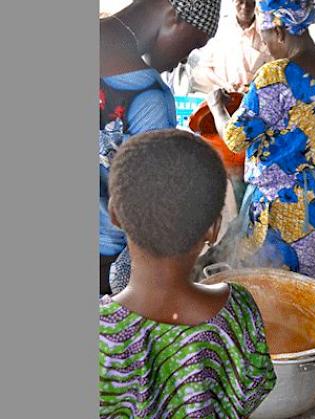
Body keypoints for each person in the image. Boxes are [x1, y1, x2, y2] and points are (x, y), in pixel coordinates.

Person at [99, 130, 276, 418]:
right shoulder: (240, 310)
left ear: (114, 214)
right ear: (214, 228)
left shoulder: (102, 334)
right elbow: (250, 395)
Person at [206, 0, 315, 281]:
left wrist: (216, 106)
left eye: (265, 39)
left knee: (267, 290)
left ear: (278, 30)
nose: (266, 47)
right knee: (306, 290)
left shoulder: (275, 74)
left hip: (281, 208)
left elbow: (235, 138)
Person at [99, 0, 221, 295]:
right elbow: (148, 213)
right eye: (191, 46)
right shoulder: (150, 94)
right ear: (172, 17)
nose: (183, 60)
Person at [191, 0, 273, 94]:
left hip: (254, 101)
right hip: (223, 100)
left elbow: (272, 72)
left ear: (256, 3)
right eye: (240, 1)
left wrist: (251, 89)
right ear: (233, 2)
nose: (244, 6)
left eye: (250, 2)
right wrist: (225, 85)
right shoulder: (220, 29)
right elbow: (206, 68)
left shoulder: (266, 33)